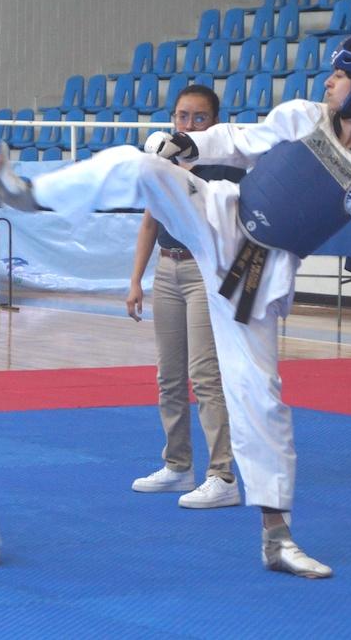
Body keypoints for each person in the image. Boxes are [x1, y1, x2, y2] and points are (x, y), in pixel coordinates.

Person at [0, 35, 351, 578]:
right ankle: (29, 194)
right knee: (144, 167)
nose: (328, 82)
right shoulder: (304, 115)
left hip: (257, 273)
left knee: (257, 395)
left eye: (339, 76)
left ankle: (277, 537)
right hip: (220, 216)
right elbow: (241, 139)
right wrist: (190, 147)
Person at [126, 86, 242, 508]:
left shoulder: (224, 165)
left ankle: (222, 474)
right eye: (181, 116)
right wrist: (136, 280)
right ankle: (177, 465)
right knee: (168, 374)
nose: (188, 125)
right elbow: (149, 223)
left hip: (203, 270)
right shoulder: (163, 161)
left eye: (198, 118)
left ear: (215, 122)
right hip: (168, 268)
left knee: (205, 374)